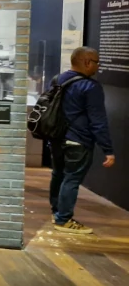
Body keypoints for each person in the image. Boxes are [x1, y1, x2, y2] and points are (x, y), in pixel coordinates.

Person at [49, 46, 115, 234]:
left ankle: (57, 213)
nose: (97, 66)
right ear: (87, 62)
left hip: (56, 139)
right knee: (72, 179)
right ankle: (64, 219)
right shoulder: (90, 87)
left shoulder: (58, 79)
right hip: (78, 141)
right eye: (96, 62)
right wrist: (108, 149)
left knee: (58, 175)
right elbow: (98, 121)